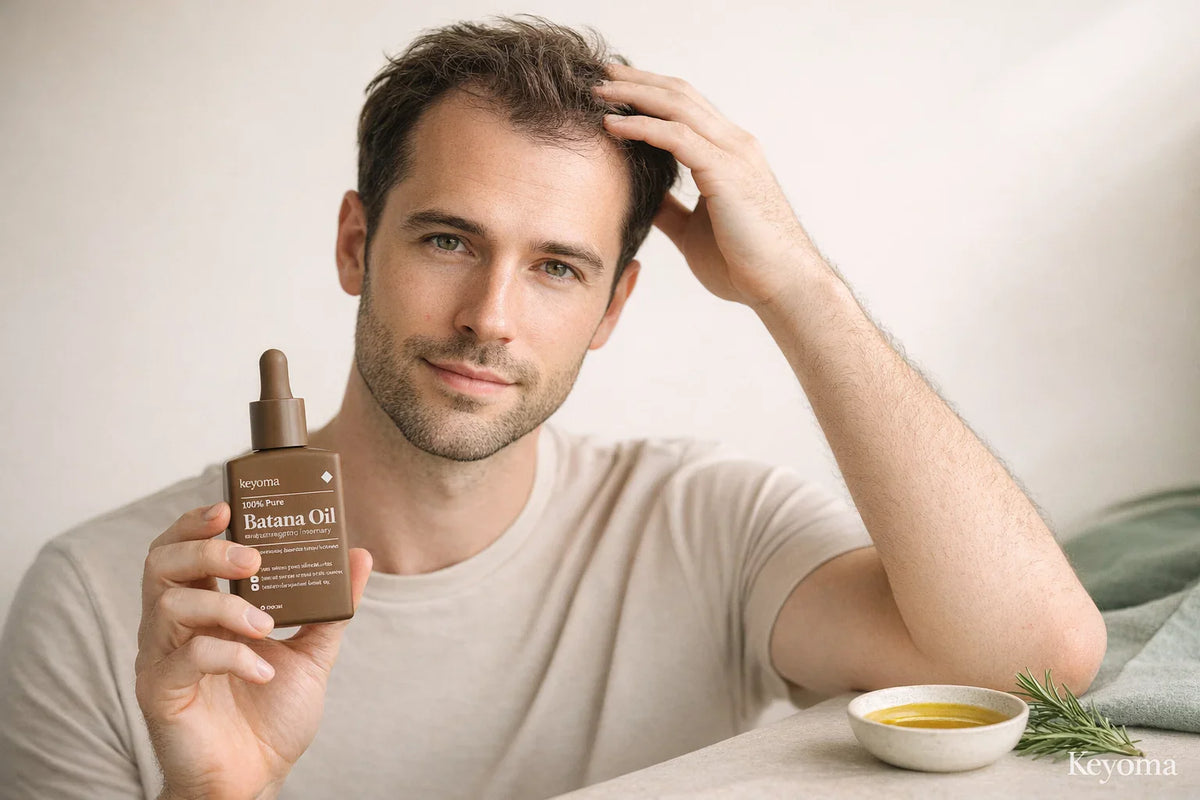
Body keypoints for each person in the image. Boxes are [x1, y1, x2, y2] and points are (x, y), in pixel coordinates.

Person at [0, 14, 1106, 800]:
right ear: (355, 242)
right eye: (448, 239)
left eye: (558, 268)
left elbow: (1035, 666)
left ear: (616, 303)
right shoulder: (108, 602)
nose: (491, 315)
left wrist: (799, 286)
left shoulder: (703, 526)